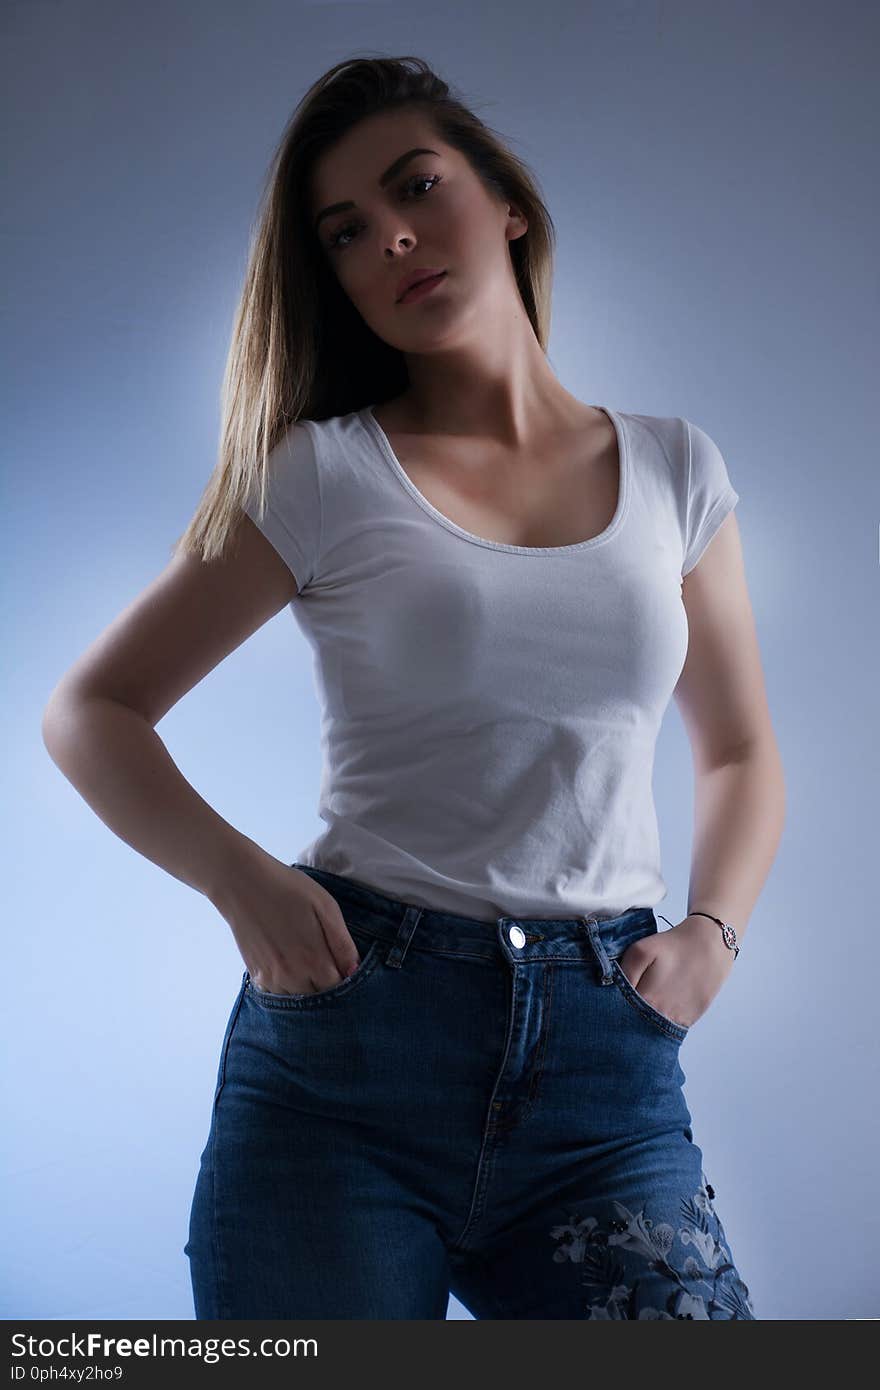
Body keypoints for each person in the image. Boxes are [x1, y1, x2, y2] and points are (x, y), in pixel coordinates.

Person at [42, 55, 785, 1320]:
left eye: (416, 187)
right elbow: (91, 712)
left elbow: (737, 750)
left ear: (507, 205)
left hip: (607, 1073)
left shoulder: (674, 468)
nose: (390, 236)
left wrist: (711, 937)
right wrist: (242, 881)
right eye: (345, 233)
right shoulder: (323, 472)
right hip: (347, 1057)